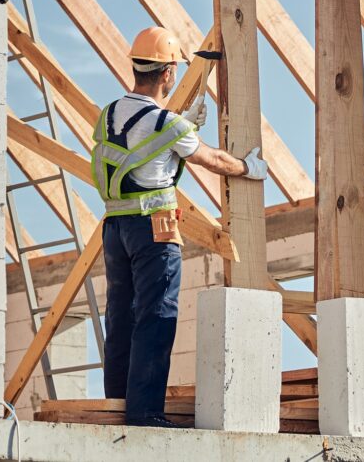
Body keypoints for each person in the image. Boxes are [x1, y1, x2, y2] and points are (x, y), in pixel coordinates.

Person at [92, 26, 268, 428]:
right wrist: (249, 168)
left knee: (120, 317)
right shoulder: (166, 124)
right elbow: (212, 160)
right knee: (156, 317)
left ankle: (118, 405)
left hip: (115, 228)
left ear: (137, 67)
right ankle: (146, 414)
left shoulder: (110, 113)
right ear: (168, 74)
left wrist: (183, 124)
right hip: (154, 229)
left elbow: (138, 149)